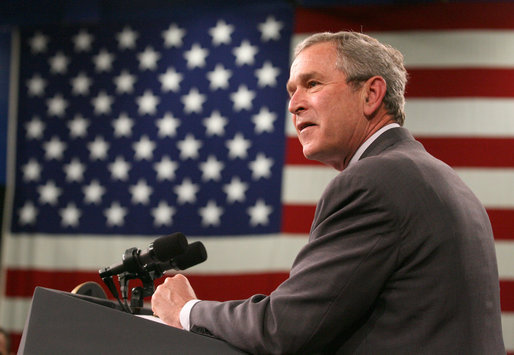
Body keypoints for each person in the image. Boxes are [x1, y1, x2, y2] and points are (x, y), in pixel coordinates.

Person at [151, 31, 505, 354]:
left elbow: (284, 328)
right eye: (292, 91)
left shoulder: (374, 180)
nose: (294, 104)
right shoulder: (439, 177)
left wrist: (187, 310)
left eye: (312, 84)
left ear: (371, 94)